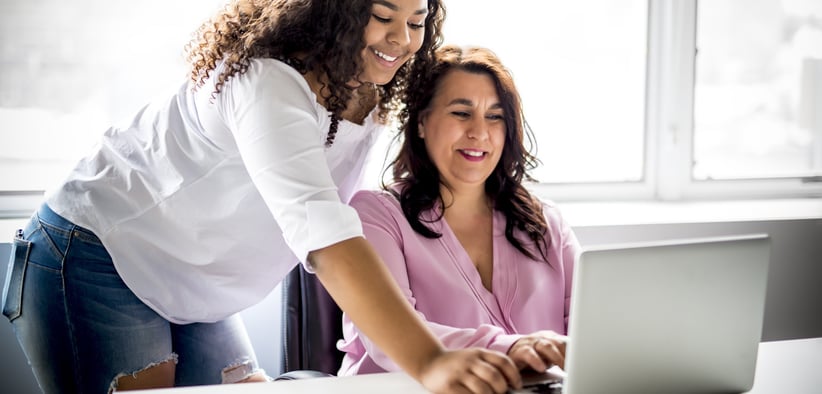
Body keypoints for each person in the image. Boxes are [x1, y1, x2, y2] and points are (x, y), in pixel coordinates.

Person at [1, 2, 523, 393]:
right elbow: (324, 231)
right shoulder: (268, 82)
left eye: (417, 20)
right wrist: (430, 361)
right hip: (96, 253)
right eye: (383, 15)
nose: (403, 39)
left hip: (196, 283)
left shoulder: (373, 85)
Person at [337, 45, 580, 377]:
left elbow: (591, 329)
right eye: (461, 113)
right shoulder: (377, 215)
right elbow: (388, 339)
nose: (479, 132)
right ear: (422, 123)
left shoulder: (546, 223)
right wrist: (510, 347)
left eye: (494, 117)